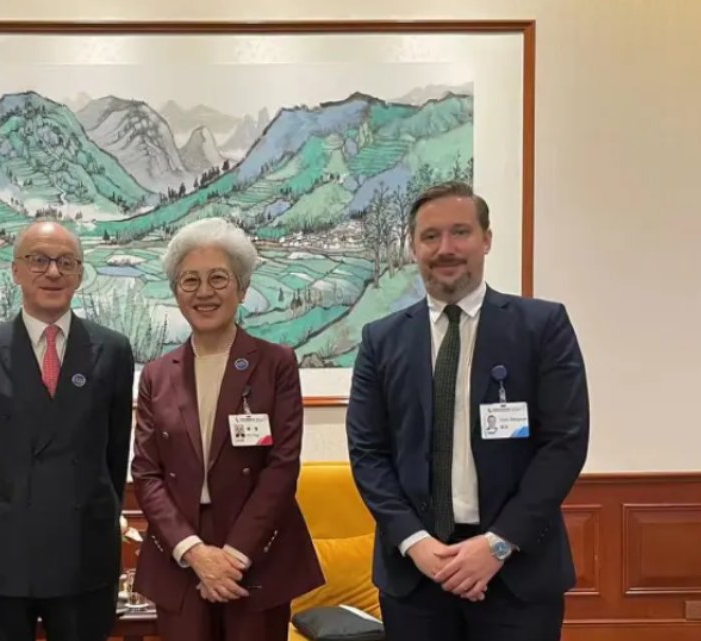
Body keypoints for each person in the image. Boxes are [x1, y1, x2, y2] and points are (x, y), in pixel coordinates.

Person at [346, 181, 590, 641]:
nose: (446, 248)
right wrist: (417, 544)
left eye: (460, 232)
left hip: (518, 572)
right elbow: (368, 453)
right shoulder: (381, 340)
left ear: (486, 239)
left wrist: (497, 544)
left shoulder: (543, 327)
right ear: (413, 246)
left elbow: (564, 444)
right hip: (416, 575)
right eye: (430, 236)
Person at [130, 217, 324, 640]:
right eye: (190, 281)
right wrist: (195, 553)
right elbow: (146, 473)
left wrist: (232, 556)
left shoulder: (276, 363)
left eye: (218, 278)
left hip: (257, 549)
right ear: (175, 292)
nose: (204, 292)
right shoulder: (157, 375)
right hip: (180, 552)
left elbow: (282, 466)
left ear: (242, 288)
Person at [0, 220, 135, 641]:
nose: (52, 272)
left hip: (83, 552)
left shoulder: (112, 350)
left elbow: (115, 452)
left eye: (66, 262)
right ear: (16, 271)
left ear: (79, 274)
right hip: (3, 553)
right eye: (38, 260)